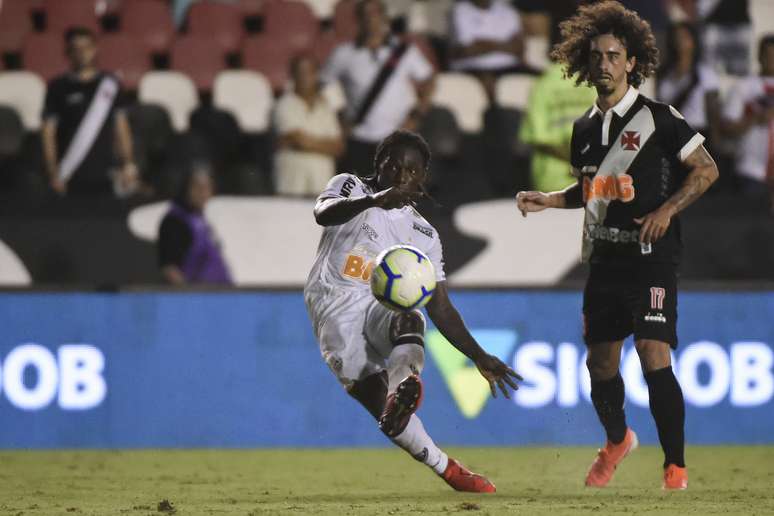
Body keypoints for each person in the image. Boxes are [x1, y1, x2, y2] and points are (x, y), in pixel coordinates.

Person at [516, 1, 719, 490]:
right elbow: (594, 190)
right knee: (600, 364)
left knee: (653, 352)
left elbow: (707, 169)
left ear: (632, 63)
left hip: (652, 258)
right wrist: (551, 199)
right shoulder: (584, 129)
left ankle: (675, 467)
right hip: (605, 260)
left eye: (613, 55)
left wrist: (667, 210)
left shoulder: (660, 118)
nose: (604, 64)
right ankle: (617, 440)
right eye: (596, 56)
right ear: (586, 64)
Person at [305, 130, 521, 492]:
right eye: (395, 167)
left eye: (413, 171)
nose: (403, 176)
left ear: (423, 176)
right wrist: (374, 200)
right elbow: (322, 213)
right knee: (382, 412)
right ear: (380, 163)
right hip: (334, 307)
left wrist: (479, 355)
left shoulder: (424, 234)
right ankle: (446, 467)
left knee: (411, 315)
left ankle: (403, 386)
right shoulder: (351, 186)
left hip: (378, 305)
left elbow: (440, 306)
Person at [321, 0, 435, 177]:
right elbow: (320, 86)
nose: (370, 20)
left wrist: (417, 114)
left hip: (397, 138)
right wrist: (337, 117)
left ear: (384, 18)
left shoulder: (404, 51)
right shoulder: (343, 54)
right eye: (365, 15)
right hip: (358, 138)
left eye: (375, 14)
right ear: (358, 20)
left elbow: (428, 79)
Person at [41, 27, 138, 197]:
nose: (82, 53)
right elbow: (48, 134)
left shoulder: (111, 84)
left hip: (106, 174)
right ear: (67, 52)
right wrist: (53, 172)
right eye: (76, 48)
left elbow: (122, 128)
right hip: (69, 175)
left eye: (86, 47)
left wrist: (128, 164)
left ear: (95, 49)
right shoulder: (57, 87)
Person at [273, 54, 344, 197]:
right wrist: (325, 145)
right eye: (300, 72)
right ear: (292, 75)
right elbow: (298, 140)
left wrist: (307, 141)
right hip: (291, 185)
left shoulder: (326, 107)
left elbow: (338, 147)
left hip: (322, 186)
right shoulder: (283, 104)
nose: (305, 77)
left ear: (317, 75)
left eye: (310, 72)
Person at [720, 34, 774, 206]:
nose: (771, 59)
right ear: (759, 56)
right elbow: (727, 128)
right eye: (767, 55)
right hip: (751, 171)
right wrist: (755, 119)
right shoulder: (743, 87)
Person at [158, 166, 232, 285]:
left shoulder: (200, 219)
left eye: (207, 188)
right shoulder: (174, 222)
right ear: (186, 189)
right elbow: (170, 268)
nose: (203, 193)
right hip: (197, 294)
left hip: (222, 293)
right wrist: (189, 294)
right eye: (198, 187)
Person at [657, 22, 722, 146]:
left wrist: (715, 146)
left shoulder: (706, 74)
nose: (679, 41)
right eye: (676, 37)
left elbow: (713, 115)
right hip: (670, 136)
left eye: (684, 37)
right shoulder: (664, 75)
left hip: (696, 135)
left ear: (694, 41)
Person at [449, 0, 526, 102]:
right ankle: (494, 111)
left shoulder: (508, 10)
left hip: (509, 66)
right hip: (474, 67)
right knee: (489, 82)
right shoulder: (460, 10)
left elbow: (519, 48)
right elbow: (467, 50)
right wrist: (505, 45)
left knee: (539, 77)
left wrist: (484, 44)